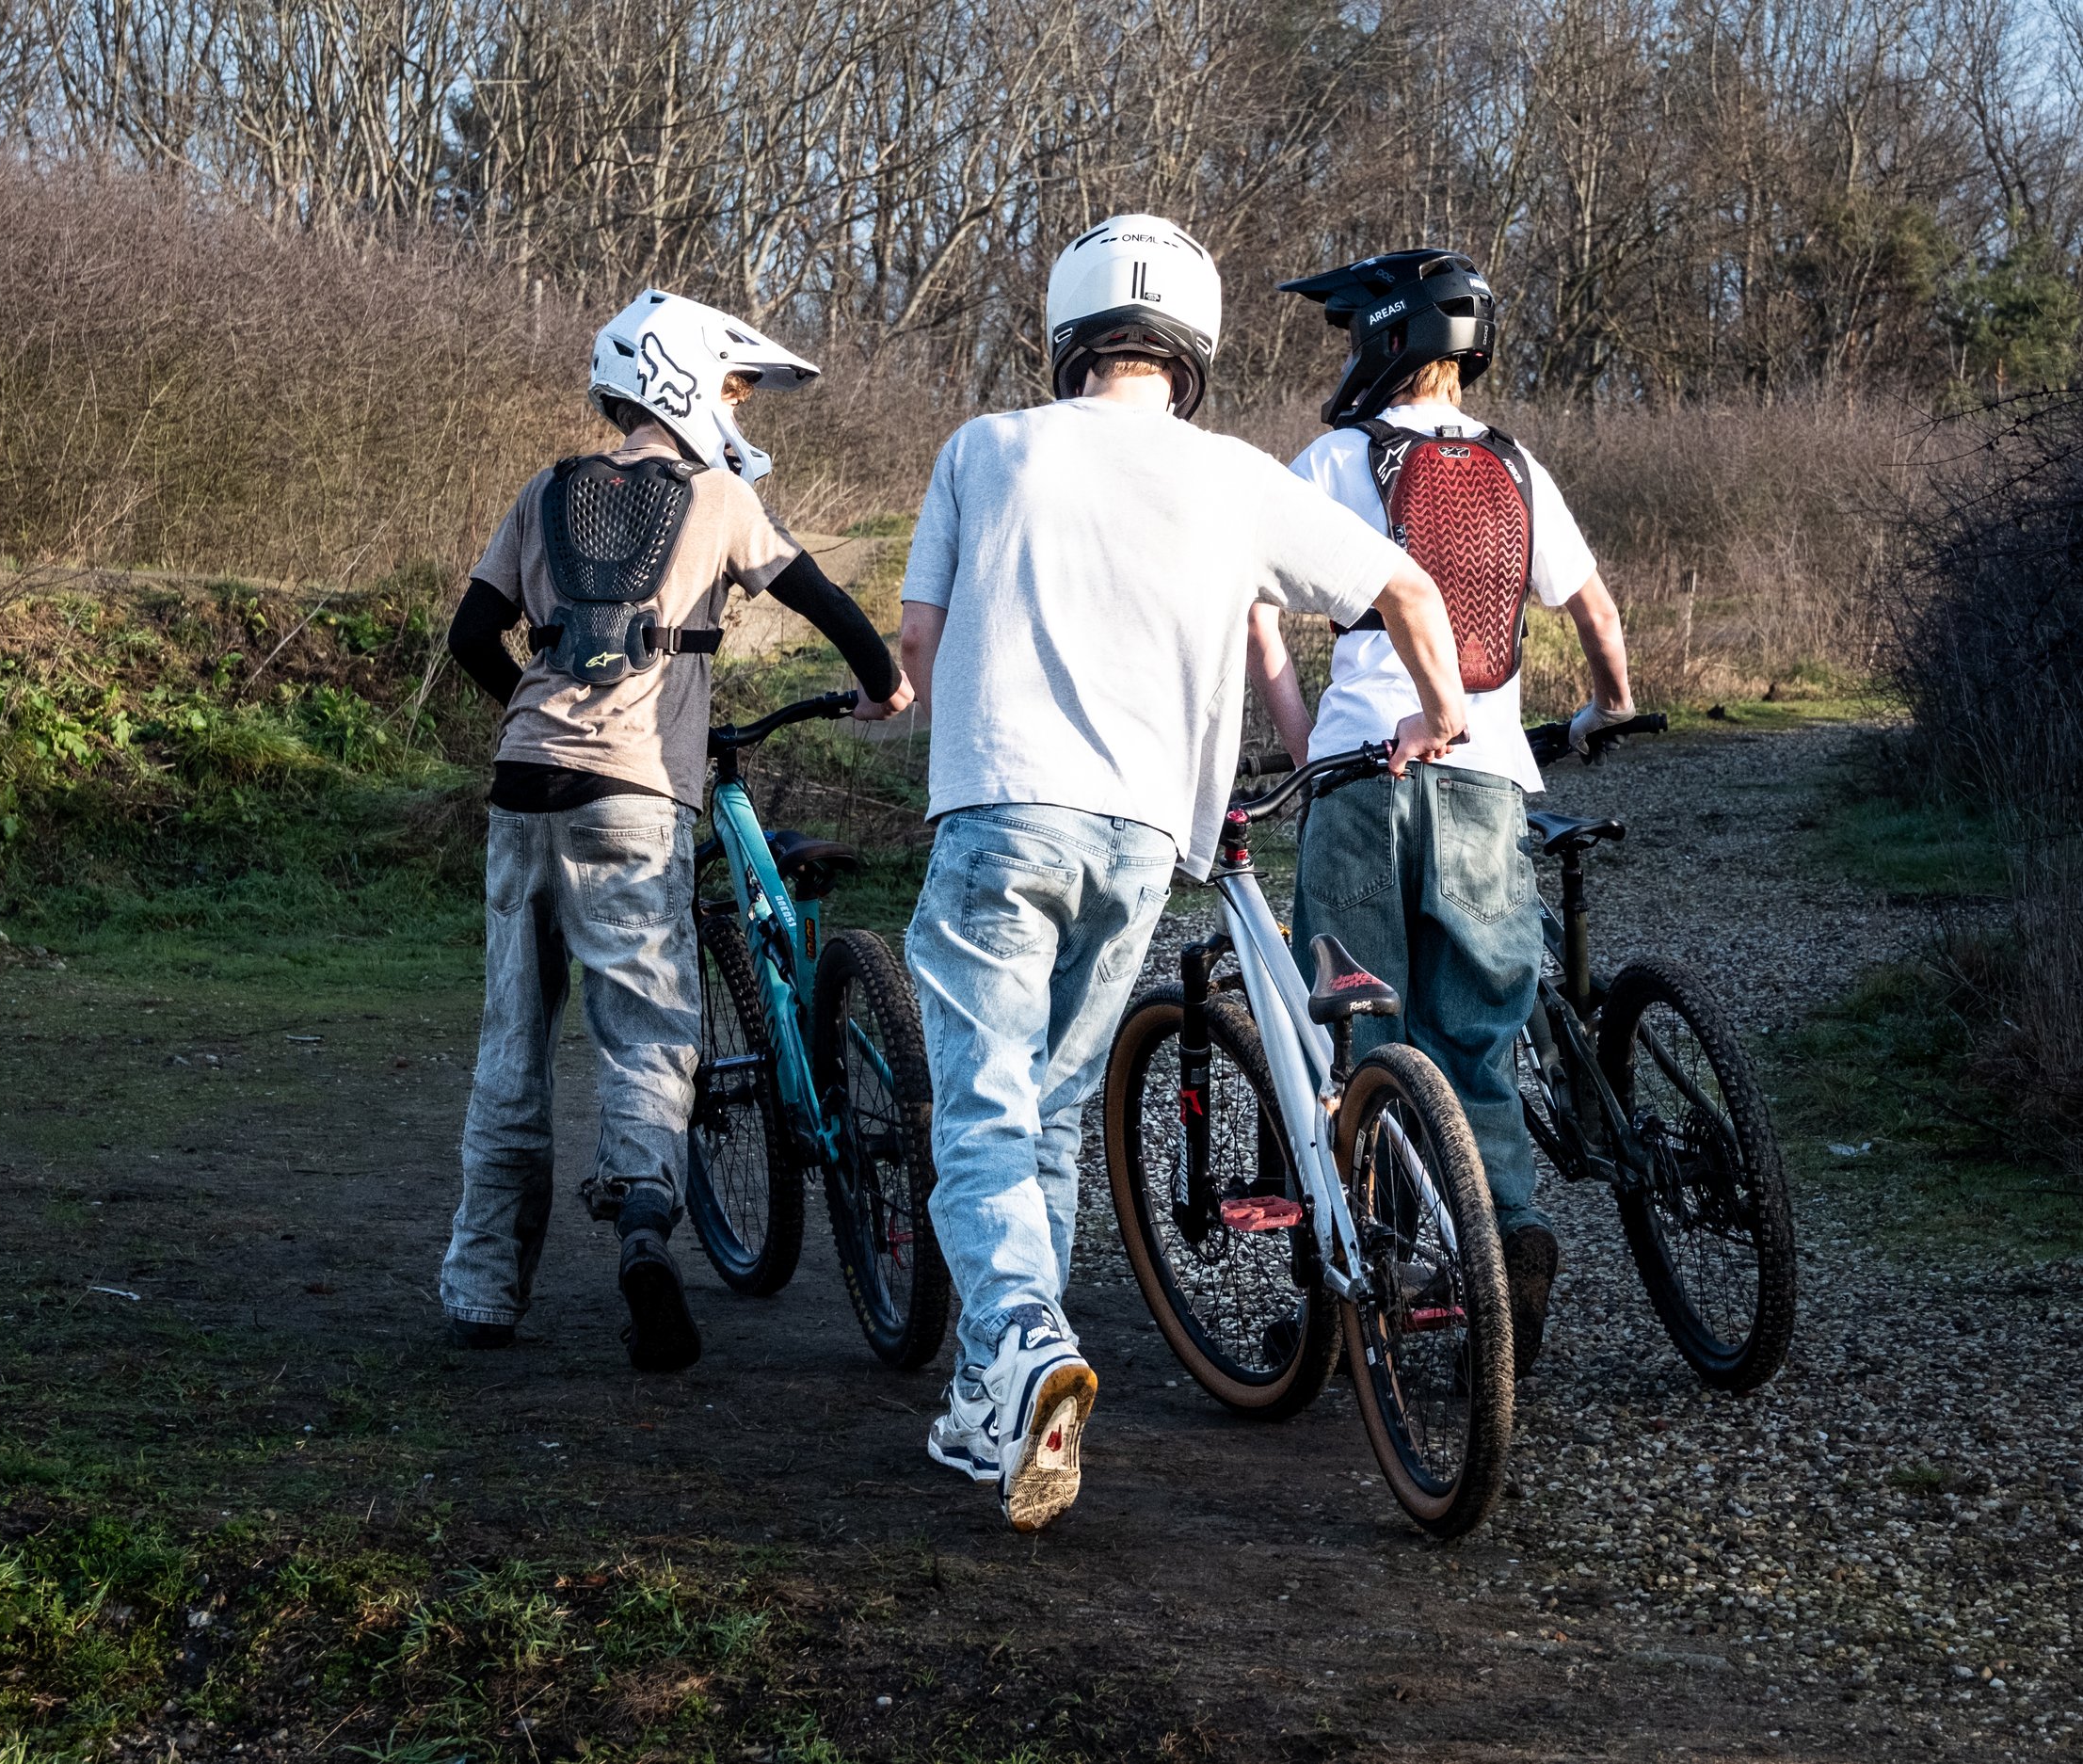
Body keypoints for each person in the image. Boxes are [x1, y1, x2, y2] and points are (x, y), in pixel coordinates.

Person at [896, 216, 1472, 1531]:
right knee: (1044, 1108)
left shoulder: (984, 449)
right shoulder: (1232, 476)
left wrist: (901, 697)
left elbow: (916, 655)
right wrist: (1434, 715)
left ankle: (1030, 1336)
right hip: (1143, 841)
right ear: (1193, 346)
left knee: (982, 1108)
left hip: (1001, 810)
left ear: (1070, 330)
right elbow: (1410, 591)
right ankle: (994, 1400)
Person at [439, 289, 913, 1372]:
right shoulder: (718, 502)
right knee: (649, 1030)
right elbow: (826, 601)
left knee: (512, 1038)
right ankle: (646, 1223)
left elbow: (473, 636)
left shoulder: (544, 489)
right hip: (637, 795)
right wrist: (884, 684)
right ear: (692, 381)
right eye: (737, 386)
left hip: (523, 787)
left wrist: (537, 708)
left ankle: (479, 1288)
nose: (741, 406)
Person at [1265, 249, 1637, 1377]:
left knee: (1354, 1033)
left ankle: (1343, 1305)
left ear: (1384, 338)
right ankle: (1510, 1251)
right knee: (1476, 1038)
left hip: (1361, 783)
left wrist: (1304, 748)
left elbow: (1252, 610)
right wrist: (1606, 707)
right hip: (1487, 782)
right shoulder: (1520, 468)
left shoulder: (1332, 460)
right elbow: (1595, 611)